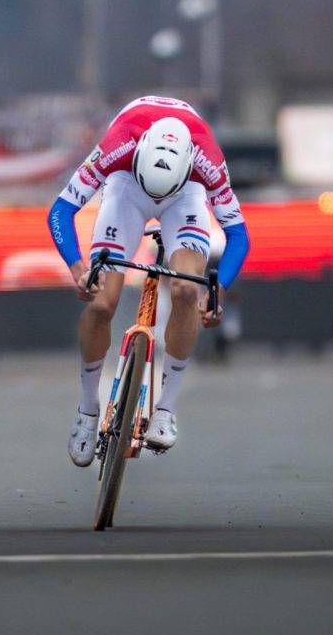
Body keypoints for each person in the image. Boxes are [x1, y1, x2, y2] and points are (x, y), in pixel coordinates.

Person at [46, 95, 250, 467]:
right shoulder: (119, 145)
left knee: (188, 289)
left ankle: (166, 410)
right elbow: (61, 210)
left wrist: (216, 291)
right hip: (126, 188)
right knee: (101, 302)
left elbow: (239, 235)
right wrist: (77, 268)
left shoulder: (208, 162)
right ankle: (88, 410)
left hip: (184, 196)